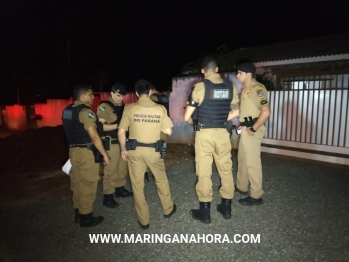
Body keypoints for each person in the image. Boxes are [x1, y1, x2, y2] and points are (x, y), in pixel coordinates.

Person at [184, 56, 240, 224]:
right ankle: (226, 206)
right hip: (223, 133)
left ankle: (205, 210)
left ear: (203, 71)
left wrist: (193, 121)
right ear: (217, 69)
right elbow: (236, 112)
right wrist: (223, 118)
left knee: (204, 171)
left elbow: (187, 116)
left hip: (204, 134)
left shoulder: (200, 87)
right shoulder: (230, 86)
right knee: (225, 169)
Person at [118, 79, 176, 229]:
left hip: (134, 152)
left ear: (136, 93)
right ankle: (168, 209)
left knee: (137, 186)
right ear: (150, 92)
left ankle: (144, 221)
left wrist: (124, 149)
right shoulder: (160, 109)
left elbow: (121, 132)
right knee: (161, 180)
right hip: (153, 152)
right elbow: (169, 131)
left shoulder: (129, 108)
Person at [62, 84, 111, 227]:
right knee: (88, 182)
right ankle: (86, 216)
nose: (93, 97)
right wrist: (105, 155)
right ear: (83, 96)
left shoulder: (67, 110)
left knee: (76, 182)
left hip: (73, 151)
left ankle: (78, 211)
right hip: (86, 152)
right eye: (91, 94)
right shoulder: (85, 111)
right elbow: (94, 136)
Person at [235, 62, 271, 206]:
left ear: (248, 74)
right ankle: (242, 187)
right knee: (242, 160)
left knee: (252, 163)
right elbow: (243, 111)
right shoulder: (246, 89)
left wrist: (253, 129)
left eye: (240, 73)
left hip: (252, 130)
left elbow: (266, 112)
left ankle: (256, 195)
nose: (237, 75)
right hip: (245, 129)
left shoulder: (257, 89)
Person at [97, 83, 133, 209]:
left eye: (122, 96)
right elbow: (100, 127)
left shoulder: (123, 106)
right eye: (118, 95)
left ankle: (119, 188)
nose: (120, 98)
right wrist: (119, 126)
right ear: (111, 93)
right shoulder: (104, 107)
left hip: (122, 142)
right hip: (110, 143)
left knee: (122, 167)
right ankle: (108, 196)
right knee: (110, 169)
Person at [143, 85, 170, 182]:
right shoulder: (164, 97)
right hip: (163, 127)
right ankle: (157, 174)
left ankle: (145, 173)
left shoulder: (152, 98)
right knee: (161, 150)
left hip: (153, 128)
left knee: (148, 149)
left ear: (150, 90)